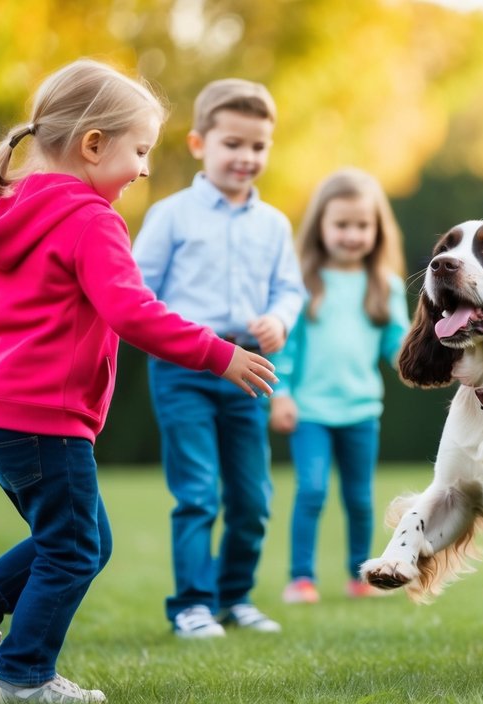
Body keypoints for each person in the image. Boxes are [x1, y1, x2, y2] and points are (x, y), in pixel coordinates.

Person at [0, 59, 276, 704]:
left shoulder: (6, 213)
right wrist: (216, 354)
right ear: (92, 144)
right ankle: (22, 677)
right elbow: (131, 310)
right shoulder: (90, 219)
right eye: (139, 151)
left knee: (82, 537)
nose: (144, 169)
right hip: (43, 419)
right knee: (73, 548)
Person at [133, 79, 306, 638]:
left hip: (250, 369)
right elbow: (136, 289)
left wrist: (279, 319)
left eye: (257, 146)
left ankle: (235, 597)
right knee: (198, 492)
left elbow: (290, 290)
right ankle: (191, 605)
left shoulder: (274, 224)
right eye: (233, 143)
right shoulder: (171, 215)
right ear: (198, 144)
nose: (246, 157)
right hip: (183, 368)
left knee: (253, 498)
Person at [268, 167, 410, 603]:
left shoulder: (383, 285)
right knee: (311, 490)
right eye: (342, 225)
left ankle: (359, 576)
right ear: (321, 227)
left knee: (360, 498)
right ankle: (301, 578)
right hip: (310, 410)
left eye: (362, 225)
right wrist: (281, 392)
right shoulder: (305, 283)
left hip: (361, 410)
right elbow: (285, 347)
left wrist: (428, 362)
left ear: (377, 230)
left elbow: (399, 344)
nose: (352, 234)